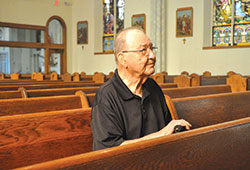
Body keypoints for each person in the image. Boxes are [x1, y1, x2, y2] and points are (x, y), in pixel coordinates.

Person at [91, 27, 191, 151]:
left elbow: (169, 132)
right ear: (123, 59)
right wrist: (162, 134)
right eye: (143, 50)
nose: (152, 56)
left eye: (151, 48)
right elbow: (109, 151)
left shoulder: (153, 87)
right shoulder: (106, 96)